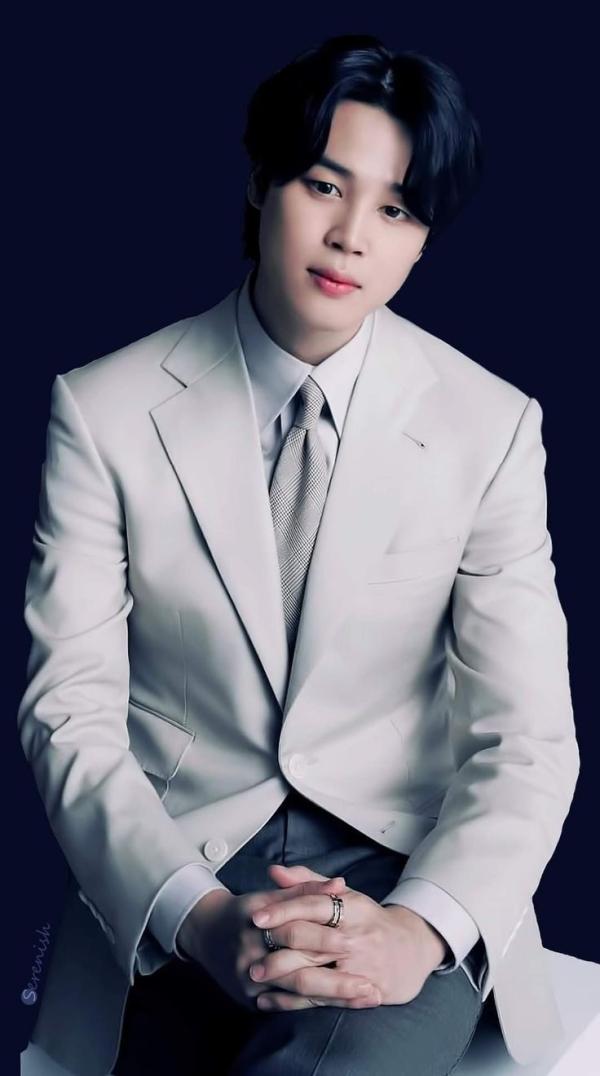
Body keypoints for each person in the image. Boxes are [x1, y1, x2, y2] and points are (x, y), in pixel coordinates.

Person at [18, 32, 579, 1076]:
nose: (351, 236)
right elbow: (68, 710)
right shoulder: (104, 409)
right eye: (325, 185)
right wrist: (198, 917)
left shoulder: (491, 426)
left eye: (396, 210)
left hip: (398, 863)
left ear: (422, 242)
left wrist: (415, 930)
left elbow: (529, 738)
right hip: (177, 859)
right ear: (260, 182)